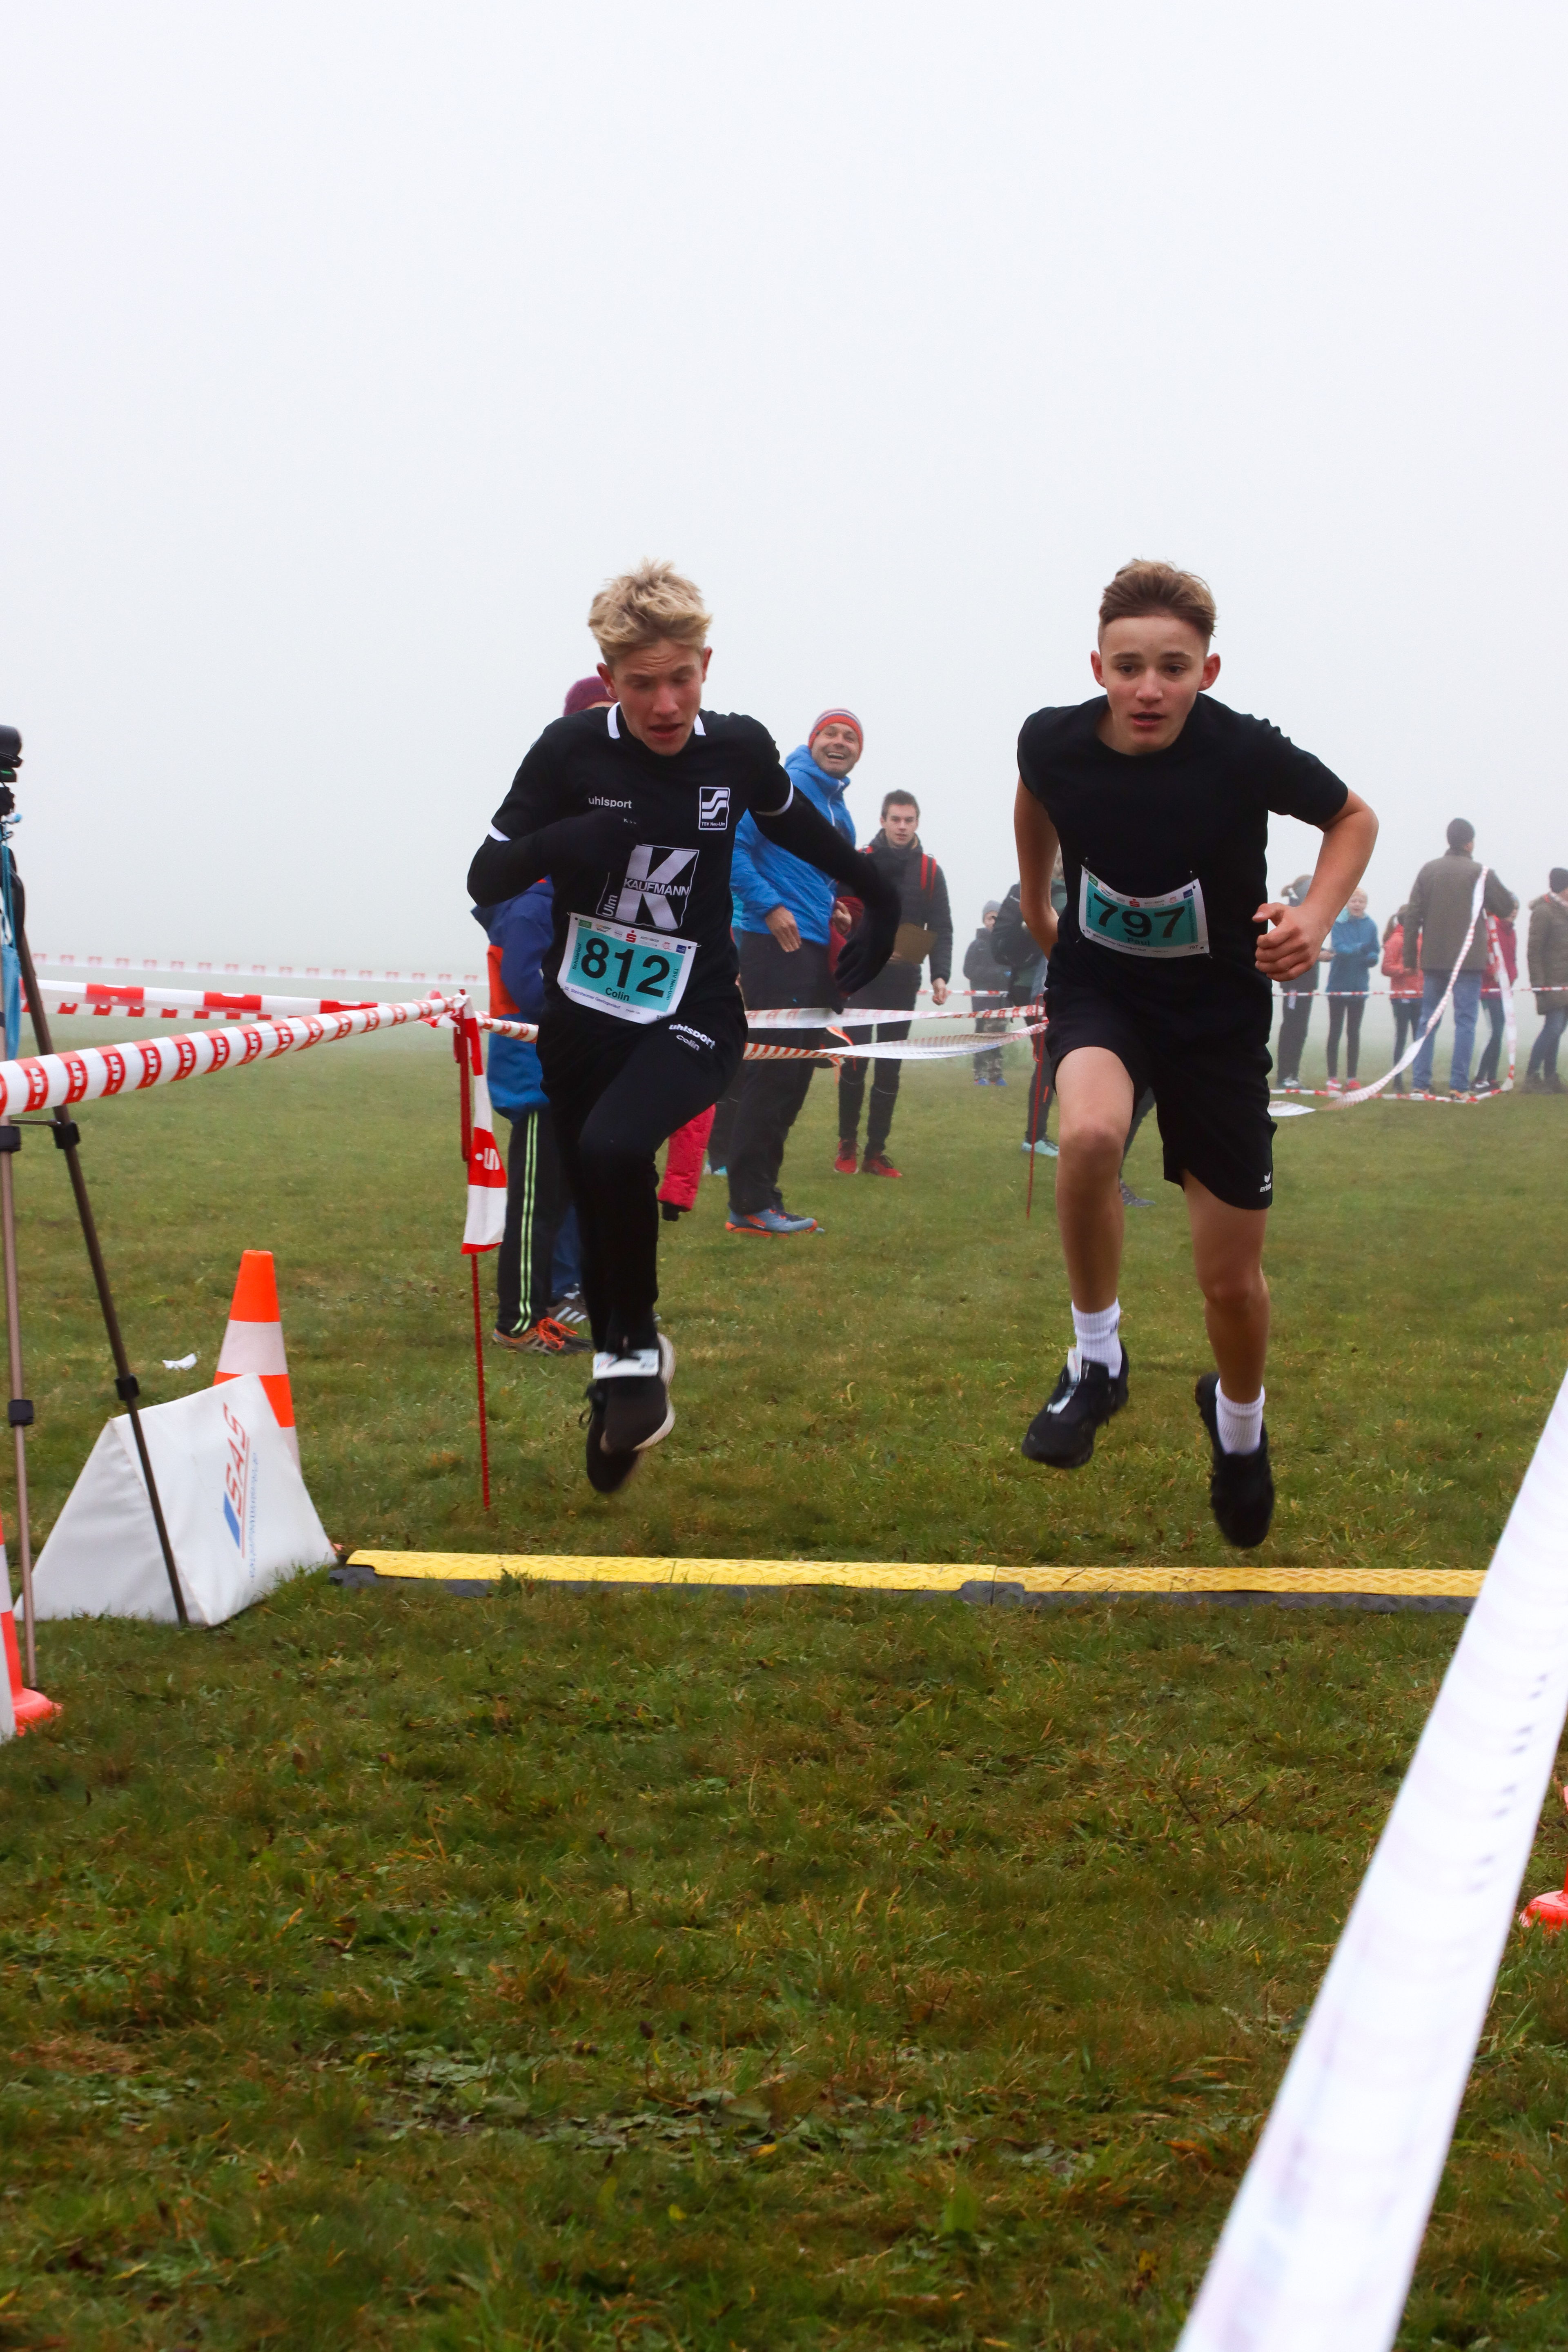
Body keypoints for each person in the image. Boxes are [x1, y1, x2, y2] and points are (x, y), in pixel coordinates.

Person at [466, 564, 899, 1493]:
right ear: (608, 677)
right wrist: (563, 842)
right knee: (600, 1175)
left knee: (616, 1145)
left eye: (681, 680)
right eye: (640, 684)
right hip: (585, 1018)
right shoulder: (568, 752)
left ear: (706, 664)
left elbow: (796, 828)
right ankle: (626, 1367)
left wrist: (877, 888)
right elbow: (485, 876)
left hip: (693, 1009)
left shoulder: (737, 748)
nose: (664, 705)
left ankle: (627, 1361)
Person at [1013, 558, 1376, 1549]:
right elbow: (1035, 792)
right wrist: (1039, 900)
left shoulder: (1242, 750)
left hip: (1216, 1020)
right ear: (1098, 666)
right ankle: (1097, 1361)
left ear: (1206, 672)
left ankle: (1240, 1429)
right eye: (1127, 667)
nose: (1147, 688)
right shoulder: (1052, 739)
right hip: (1103, 992)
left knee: (1230, 1284)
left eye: (1171, 668)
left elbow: (1353, 818)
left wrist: (1312, 916)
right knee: (1089, 1135)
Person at [722, 708, 865, 1234]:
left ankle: (766, 1197)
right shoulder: (781, 788)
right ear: (813, 740)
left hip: (812, 946)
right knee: (774, 1071)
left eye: (850, 737)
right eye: (831, 733)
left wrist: (835, 909)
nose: (840, 742)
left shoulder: (839, 811)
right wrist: (770, 906)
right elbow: (732, 850)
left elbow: (818, 877)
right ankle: (747, 1203)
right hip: (772, 942)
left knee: (797, 1074)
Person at [835, 792, 952, 1176]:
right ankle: (847, 1144)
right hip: (862, 975)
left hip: (904, 981)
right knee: (855, 1061)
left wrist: (940, 975)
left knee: (889, 1069)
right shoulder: (860, 861)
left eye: (909, 820)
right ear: (883, 820)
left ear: (917, 823)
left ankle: (875, 1153)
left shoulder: (931, 871)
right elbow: (840, 914)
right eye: (896, 819)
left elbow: (942, 927)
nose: (902, 827)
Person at [1403, 821, 1518, 1097]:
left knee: (1428, 1022)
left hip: (1434, 959)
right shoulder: (1480, 872)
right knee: (1465, 1022)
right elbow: (1505, 906)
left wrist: (1410, 957)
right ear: (1469, 843)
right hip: (1468, 961)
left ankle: (1420, 1083)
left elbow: (1412, 916)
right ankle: (1458, 1086)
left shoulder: (1428, 870)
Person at [1321, 886, 1379, 1090]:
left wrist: (1372, 958)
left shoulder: (1371, 925)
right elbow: (1339, 948)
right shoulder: (1339, 923)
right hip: (1338, 986)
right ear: (1347, 903)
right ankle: (1332, 1078)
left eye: (1361, 902)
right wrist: (1359, 948)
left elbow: (1374, 950)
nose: (1357, 905)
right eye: (1354, 901)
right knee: (1335, 1032)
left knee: (1354, 1033)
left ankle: (1352, 1078)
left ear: (1366, 904)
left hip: (1359, 987)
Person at [1524, 867, 1568, 1093]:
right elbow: (1534, 951)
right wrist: (1539, 984)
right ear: (1563, 888)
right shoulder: (1544, 912)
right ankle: (1531, 1077)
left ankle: (1551, 1077)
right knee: (1553, 1028)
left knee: (1559, 1029)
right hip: (1552, 982)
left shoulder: (1564, 911)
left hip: (1565, 983)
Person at [1273, 876, 1317, 1089]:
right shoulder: (1290, 913)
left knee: (1301, 1030)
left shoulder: (1311, 914)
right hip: (1294, 983)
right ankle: (1284, 1076)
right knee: (1291, 1028)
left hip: (1308, 983)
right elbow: (1291, 944)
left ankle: (1293, 1075)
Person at [964, 900, 1009, 1085]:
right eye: (990, 918)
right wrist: (996, 973)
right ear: (984, 920)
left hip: (1003, 1002)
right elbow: (969, 971)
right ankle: (979, 1075)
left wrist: (1008, 975)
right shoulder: (976, 946)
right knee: (981, 1038)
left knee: (998, 1039)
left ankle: (996, 1076)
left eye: (996, 918)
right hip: (982, 1003)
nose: (993, 922)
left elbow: (1012, 969)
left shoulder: (1006, 945)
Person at [1473, 909, 1517, 1094]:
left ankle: (1491, 1077)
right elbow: (1482, 956)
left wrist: (1512, 976)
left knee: (1499, 1033)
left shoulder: (1511, 931)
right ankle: (1479, 1078)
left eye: (1516, 909)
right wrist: (1491, 971)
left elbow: (1512, 959)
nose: (1514, 912)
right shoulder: (1489, 927)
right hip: (1489, 988)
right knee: (1493, 1031)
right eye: (1511, 908)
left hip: (1504, 989)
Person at [1382, 910, 1423, 1093]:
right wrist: (1405, 970)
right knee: (1401, 1038)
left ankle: (1419, 1081)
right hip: (1401, 997)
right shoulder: (1396, 940)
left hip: (1420, 995)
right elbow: (1386, 967)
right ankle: (1398, 1081)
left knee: (1419, 1040)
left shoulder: (1420, 938)